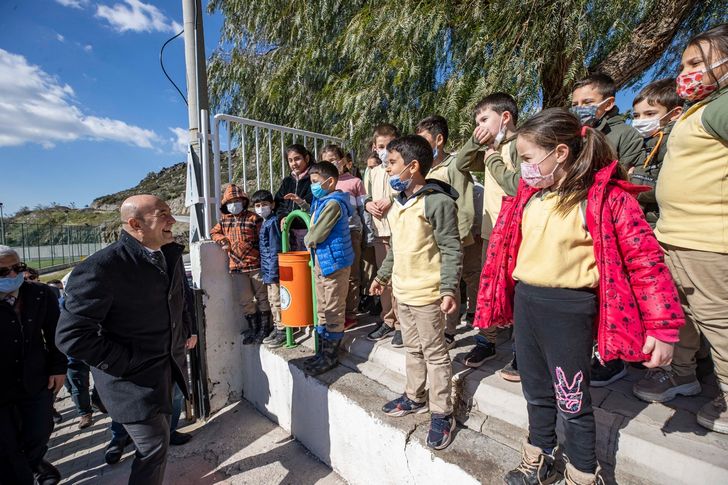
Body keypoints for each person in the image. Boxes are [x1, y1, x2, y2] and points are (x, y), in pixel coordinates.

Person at [474, 108, 683, 484]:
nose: (523, 168)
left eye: (527, 158)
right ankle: (538, 455)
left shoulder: (606, 199)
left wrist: (663, 326)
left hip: (569, 310)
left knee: (572, 399)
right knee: (536, 391)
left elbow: (646, 262)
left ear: (560, 153)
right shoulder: (530, 197)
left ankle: (583, 472)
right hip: (528, 302)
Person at [56, 195, 192, 485]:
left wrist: (185, 333)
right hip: (132, 384)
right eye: (163, 214)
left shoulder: (168, 254)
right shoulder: (101, 268)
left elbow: (181, 301)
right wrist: (127, 362)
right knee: (153, 449)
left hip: (166, 373)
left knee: (160, 441)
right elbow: (71, 336)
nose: (171, 220)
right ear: (135, 224)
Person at [633, 24, 728, 434]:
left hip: (706, 239)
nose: (685, 72)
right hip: (675, 237)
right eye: (683, 63)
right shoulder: (698, 108)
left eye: (696, 63)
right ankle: (683, 375)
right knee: (682, 315)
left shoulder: (722, 107)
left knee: (717, 320)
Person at [371, 135, 462, 450]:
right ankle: (415, 395)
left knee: (435, 354)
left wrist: (449, 288)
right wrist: (383, 276)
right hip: (403, 293)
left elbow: (451, 248)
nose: (387, 168)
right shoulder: (399, 204)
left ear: (413, 166)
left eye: (393, 162)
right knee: (412, 349)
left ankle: (441, 412)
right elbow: (397, 248)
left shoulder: (437, 201)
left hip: (428, 294)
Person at [454, 93, 520, 373]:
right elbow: (461, 163)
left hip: (518, 232)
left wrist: (493, 157)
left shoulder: (521, 145)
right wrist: (477, 142)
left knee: (519, 292)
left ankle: (522, 349)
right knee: (488, 288)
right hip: (490, 231)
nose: (478, 125)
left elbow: (517, 186)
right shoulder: (490, 148)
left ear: (505, 118)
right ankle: (487, 339)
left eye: (483, 119)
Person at [0, 247, 66, 485]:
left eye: (17, 268)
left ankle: (34, 462)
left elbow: (55, 333)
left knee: (39, 430)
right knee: (7, 444)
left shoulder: (41, 294)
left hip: (36, 379)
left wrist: (59, 367)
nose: (11, 276)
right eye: (3, 271)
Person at [416, 115, 476, 350]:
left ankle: (451, 329)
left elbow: (463, 204)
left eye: (424, 139)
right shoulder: (421, 167)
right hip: (429, 237)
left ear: (439, 139)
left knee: (454, 281)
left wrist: (458, 236)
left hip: (451, 235)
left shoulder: (453, 165)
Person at [302, 161, 355, 376]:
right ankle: (323, 352)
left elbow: (316, 234)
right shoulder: (321, 202)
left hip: (334, 263)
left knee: (333, 309)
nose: (313, 186)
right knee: (323, 308)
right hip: (322, 262)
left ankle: (331, 355)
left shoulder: (333, 204)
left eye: (315, 182)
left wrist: (307, 240)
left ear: (330, 181)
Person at [211, 184, 271, 344]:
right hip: (236, 267)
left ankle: (265, 328)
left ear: (244, 201)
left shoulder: (254, 218)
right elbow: (214, 232)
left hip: (256, 265)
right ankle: (253, 328)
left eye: (238, 200)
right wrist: (222, 240)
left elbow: (263, 238)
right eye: (231, 201)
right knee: (245, 299)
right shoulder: (224, 221)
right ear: (225, 204)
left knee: (262, 296)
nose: (234, 204)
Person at [322, 144, 367, 329]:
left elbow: (363, 209)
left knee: (352, 274)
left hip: (351, 230)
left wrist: (365, 233)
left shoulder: (354, 182)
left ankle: (351, 314)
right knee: (334, 275)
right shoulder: (323, 185)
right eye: (326, 161)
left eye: (333, 159)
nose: (330, 164)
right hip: (331, 234)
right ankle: (334, 312)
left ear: (342, 160)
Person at [365, 124, 403, 346]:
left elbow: (404, 192)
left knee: (398, 279)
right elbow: (367, 196)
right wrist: (368, 204)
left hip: (397, 231)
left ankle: (401, 325)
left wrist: (391, 199)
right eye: (381, 146)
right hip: (380, 232)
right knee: (384, 279)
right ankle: (387, 320)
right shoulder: (372, 171)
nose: (384, 150)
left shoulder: (400, 168)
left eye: (389, 146)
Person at [629, 78, 684, 226]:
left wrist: (630, 185)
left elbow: (669, 186)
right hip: (648, 219)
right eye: (636, 115)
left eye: (649, 114)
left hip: (664, 222)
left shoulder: (674, 140)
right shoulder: (646, 140)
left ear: (675, 113)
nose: (640, 120)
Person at [571, 72, 645, 169]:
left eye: (587, 102)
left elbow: (629, 177)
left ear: (608, 104)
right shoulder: (569, 133)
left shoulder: (627, 135)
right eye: (575, 105)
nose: (579, 108)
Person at [251, 189, 286, 348]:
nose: (261, 208)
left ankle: (282, 330)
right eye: (257, 205)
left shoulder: (272, 223)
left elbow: (274, 249)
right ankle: (278, 327)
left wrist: (272, 272)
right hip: (268, 270)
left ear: (272, 205)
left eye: (264, 204)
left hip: (273, 270)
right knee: (272, 300)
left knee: (276, 299)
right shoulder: (265, 222)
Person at [275, 144, 314, 251]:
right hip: (289, 231)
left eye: (297, 159)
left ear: (306, 158)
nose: (294, 164)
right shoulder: (287, 182)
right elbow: (279, 203)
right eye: (290, 160)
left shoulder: (313, 179)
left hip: (308, 229)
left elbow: (313, 200)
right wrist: (283, 216)